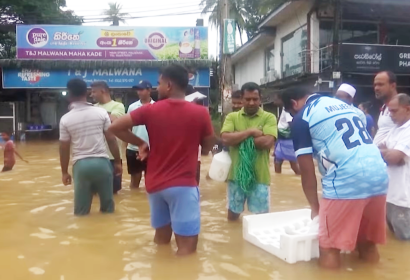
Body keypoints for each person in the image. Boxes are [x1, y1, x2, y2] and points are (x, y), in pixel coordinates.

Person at [108, 64, 215, 256]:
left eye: (159, 83)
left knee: (161, 240)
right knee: (187, 249)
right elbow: (207, 147)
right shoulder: (200, 113)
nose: (157, 88)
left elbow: (114, 127)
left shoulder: (149, 110)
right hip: (183, 186)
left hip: (155, 186)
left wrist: (141, 143)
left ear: (169, 85)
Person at [281, 86, 388, 269]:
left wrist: (315, 208)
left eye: (291, 112)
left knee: (329, 247)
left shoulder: (302, 118)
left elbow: (306, 171)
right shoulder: (342, 105)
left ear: (293, 104)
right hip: (379, 174)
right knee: (367, 243)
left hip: (346, 180)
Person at [59, 79, 122, 216]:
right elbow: (111, 139)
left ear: (69, 96)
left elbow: (64, 148)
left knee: (81, 213)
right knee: (108, 210)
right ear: (86, 93)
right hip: (103, 164)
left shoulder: (65, 119)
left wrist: (64, 172)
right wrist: (117, 161)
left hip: (81, 166)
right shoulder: (101, 113)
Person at [221, 82, 277, 221]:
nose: (251, 102)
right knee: (232, 218)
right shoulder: (232, 117)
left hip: (260, 177)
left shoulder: (269, 118)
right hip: (235, 177)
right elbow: (226, 139)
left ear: (260, 99)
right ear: (241, 99)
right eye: (247, 99)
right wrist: (251, 132)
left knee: (261, 220)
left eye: (255, 99)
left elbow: (267, 142)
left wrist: (238, 137)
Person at [378, 94, 410, 241]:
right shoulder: (395, 129)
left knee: (404, 241)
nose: (390, 115)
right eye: (389, 111)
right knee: (394, 240)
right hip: (389, 195)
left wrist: (392, 155)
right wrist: (389, 154)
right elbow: (379, 149)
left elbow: (393, 157)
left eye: (394, 111)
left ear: (407, 109)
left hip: (404, 200)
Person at [91, 81, 125, 194]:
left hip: (113, 157)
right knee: (94, 193)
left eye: (94, 91)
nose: (91, 95)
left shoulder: (118, 106)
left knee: (113, 192)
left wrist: (95, 114)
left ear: (103, 91)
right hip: (95, 156)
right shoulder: (92, 107)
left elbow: (113, 120)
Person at [126, 80, 154, 189]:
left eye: (141, 89)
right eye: (138, 90)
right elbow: (127, 128)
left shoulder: (156, 106)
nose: (139, 92)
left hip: (152, 149)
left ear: (149, 90)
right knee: (134, 182)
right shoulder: (132, 107)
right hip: (133, 148)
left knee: (151, 182)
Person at [273, 93, 300, 175]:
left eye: (276, 99)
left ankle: (301, 176)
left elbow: (291, 123)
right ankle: (279, 180)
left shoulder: (287, 109)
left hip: (286, 138)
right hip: (282, 137)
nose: (274, 101)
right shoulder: (287, 108)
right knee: (278, 160)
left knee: (292, 163)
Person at [374, 70, 398, 146]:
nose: (376, 88)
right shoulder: (384, 107)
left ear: (393, 86)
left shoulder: (402, 106)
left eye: (380, 85)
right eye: (375, 85)